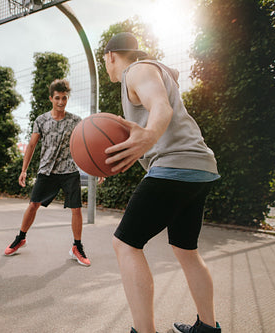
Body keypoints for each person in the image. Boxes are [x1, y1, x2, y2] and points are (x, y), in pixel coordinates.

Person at [102, 32, 222, 333]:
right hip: (200, 168)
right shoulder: (151, 72)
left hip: (175, 167)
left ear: (111, 55)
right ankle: (207, 328)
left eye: (104, 59)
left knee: (125, 244)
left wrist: (150, 134)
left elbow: (161, 108)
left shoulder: (137, 70)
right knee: (186, 249)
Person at [4, 79, 91, 267]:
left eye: (65, 98)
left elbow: (87, 144)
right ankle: (21, 238)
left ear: (68, 98)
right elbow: (32, 145)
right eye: (57, 98)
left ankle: (77, 246)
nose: (61, 102)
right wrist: (24, 170)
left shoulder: (75, 121)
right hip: (47, 171)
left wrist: (96, 168)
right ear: (51, 98)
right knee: (33, 204)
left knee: (76, 209)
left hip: (69, 170)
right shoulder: (41, 120)